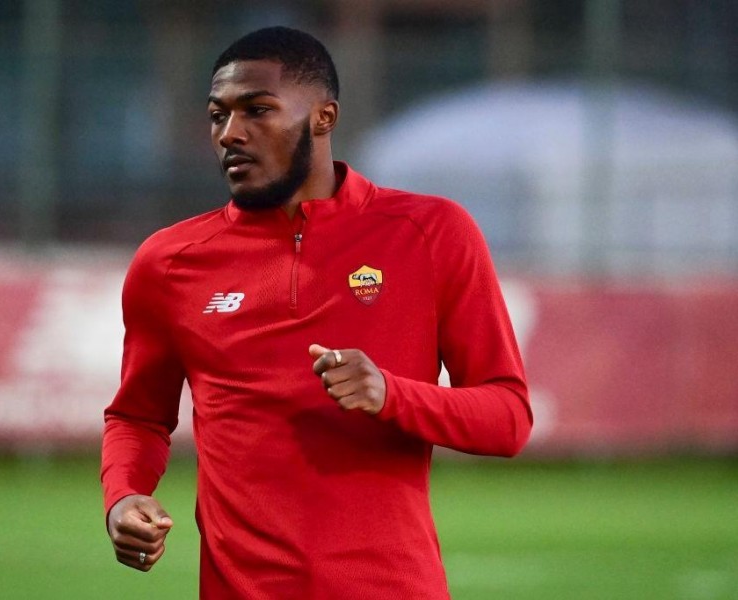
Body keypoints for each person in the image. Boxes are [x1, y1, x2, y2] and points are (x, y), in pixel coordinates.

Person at [101, 26, 532, 599]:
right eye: (217, 115)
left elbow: (507, 417)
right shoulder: (169, 261)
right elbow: (138, 417)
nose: (231, 133)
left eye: (257, 110)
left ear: (324, 117)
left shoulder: (430, 234)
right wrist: (124, 496)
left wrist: (390, 394)